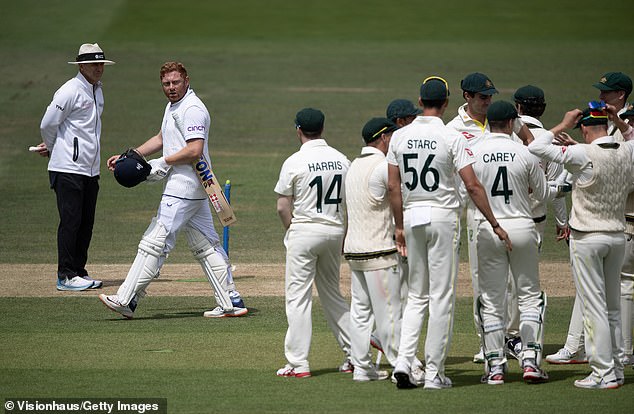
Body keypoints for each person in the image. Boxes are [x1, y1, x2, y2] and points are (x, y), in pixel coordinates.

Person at [387, 76, 511, 389]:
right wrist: (495, 223)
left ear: (419, 102)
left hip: (413, 217)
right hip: (443, 216)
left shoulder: (400, 136)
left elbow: (393, 185)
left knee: (417, 294)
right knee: (441, 297)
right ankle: (433, 374)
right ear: (445, 103)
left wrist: (398, 226)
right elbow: (472, 184)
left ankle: (403, 361)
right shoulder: (451, 136)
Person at [98, 61, 247, 319]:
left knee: (154, 243)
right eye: (166, 84)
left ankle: (126, 299)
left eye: (176, 82)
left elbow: (194, 150)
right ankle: (231, 300)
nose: (171, 88)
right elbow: (162, 138)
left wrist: (161, 162)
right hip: (193, 187)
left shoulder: (192, 109)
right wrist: (129, 155)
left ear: (186, 80)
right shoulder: (173, 106)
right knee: (206, 245)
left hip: (184, 186)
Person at [529, 105, 634, 389]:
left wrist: (562, 125)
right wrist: (617, 120)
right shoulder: (627, 150)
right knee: (612, 307)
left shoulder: (581, 153)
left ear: (585, 128)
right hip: (617, 235)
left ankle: (602, 372)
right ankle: (616, 369)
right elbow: (631, 135)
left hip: (587, 237)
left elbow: (537, 147)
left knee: (593, 307)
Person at [546, 73, 633, 366]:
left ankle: (610, 359)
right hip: (613, 222)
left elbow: (621, 167)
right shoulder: (612, 125)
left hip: (614, 220)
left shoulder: (625, 126)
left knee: (612, 292)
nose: (603, 97)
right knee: (599, 292)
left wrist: (586, 155)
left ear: (621, 95)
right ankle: (584, 349)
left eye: (608, 93)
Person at [472, 101, 549, 385]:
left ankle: (495, 368)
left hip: (489, 227)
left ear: (488, 121)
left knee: (491, 299)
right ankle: (530, 361)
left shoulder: (474, 152)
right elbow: (541, 194)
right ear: (512, 123)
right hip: (522, 225)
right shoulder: (525, 153)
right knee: (529, 296)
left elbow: (466, 191)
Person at [274, 108, 352, 378]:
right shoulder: (342, 160)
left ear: (298, 130)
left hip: (305, 232)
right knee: (333, 295)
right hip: (334, 231)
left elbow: (283, 206)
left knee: (298, 298)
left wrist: (293, 229)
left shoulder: (294, 161)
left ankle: (298, 363)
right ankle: (356, 355)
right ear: (322, 128)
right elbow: (350, 204)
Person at [35, 43, 114, 291]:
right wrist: (52, 146)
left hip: (89, 170)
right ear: (81, 66)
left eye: (101, 64)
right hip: (67, 168)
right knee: (70, 221)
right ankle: (66, 275)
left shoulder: (97, 90)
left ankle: (78, 271)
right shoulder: (70, 90)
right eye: (93, 64)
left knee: (85, 222)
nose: (99, 68)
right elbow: (48, 123)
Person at [506, 85, 569, 361]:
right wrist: (563, 221)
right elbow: (553, 186)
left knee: (500, 281)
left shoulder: (501, 133)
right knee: (526, 281)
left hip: (499, 217)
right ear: (542, 109)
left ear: (517, 107)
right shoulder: (548, 140)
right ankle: (521, 339)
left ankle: (497, 342)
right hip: (534, 221)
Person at [446, 72, 498, 363]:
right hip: (465, 208)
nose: (487, 101)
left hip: (501, 205)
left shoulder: (500, 121)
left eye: (490, 96)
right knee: (480, 278)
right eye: (482, 97)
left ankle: (509, 337)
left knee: (507, 281)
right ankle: (485, 341)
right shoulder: (452, 129)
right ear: (467, 97)